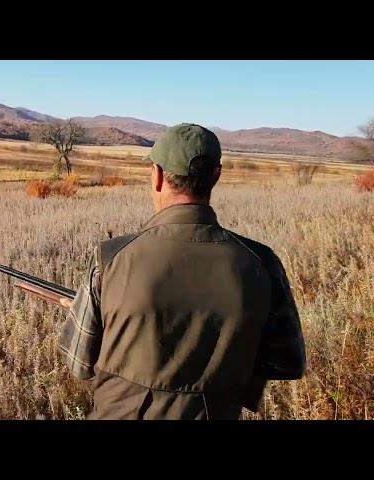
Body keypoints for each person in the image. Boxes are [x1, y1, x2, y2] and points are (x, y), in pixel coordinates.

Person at [58, 123, 306, 420]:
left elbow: (79, 364)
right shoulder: (263, 262)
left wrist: (93, 317)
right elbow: (288, 362)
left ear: (159, 176)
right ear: (216, 175)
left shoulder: (111, 258)